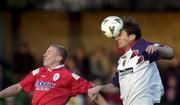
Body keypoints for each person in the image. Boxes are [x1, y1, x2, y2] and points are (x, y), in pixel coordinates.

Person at [88, 17, 174, 105]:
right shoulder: (122, 60)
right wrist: (99, 88)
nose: (117, 38)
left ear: (132, 37)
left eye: (120, 34)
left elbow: (170, 53)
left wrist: (157, 49)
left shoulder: (142, 46)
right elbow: (116, 86)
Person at [0, 44, 108, 105]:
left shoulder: (68, 75)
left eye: (49, 52)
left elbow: (93, 92)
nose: (44, 55)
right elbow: (17, 87)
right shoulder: (39, 72)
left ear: (59, 58)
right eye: (45, 52)